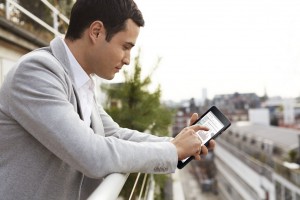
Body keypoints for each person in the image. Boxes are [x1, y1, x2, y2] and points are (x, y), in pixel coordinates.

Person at [0, 0, 215, 199]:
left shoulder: (80, 81)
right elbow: (91, 153)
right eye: (125, 46)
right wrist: (172, 151)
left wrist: (178, 143)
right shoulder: (36, 72)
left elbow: (114, 134)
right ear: (96, 31)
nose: (128, 60)